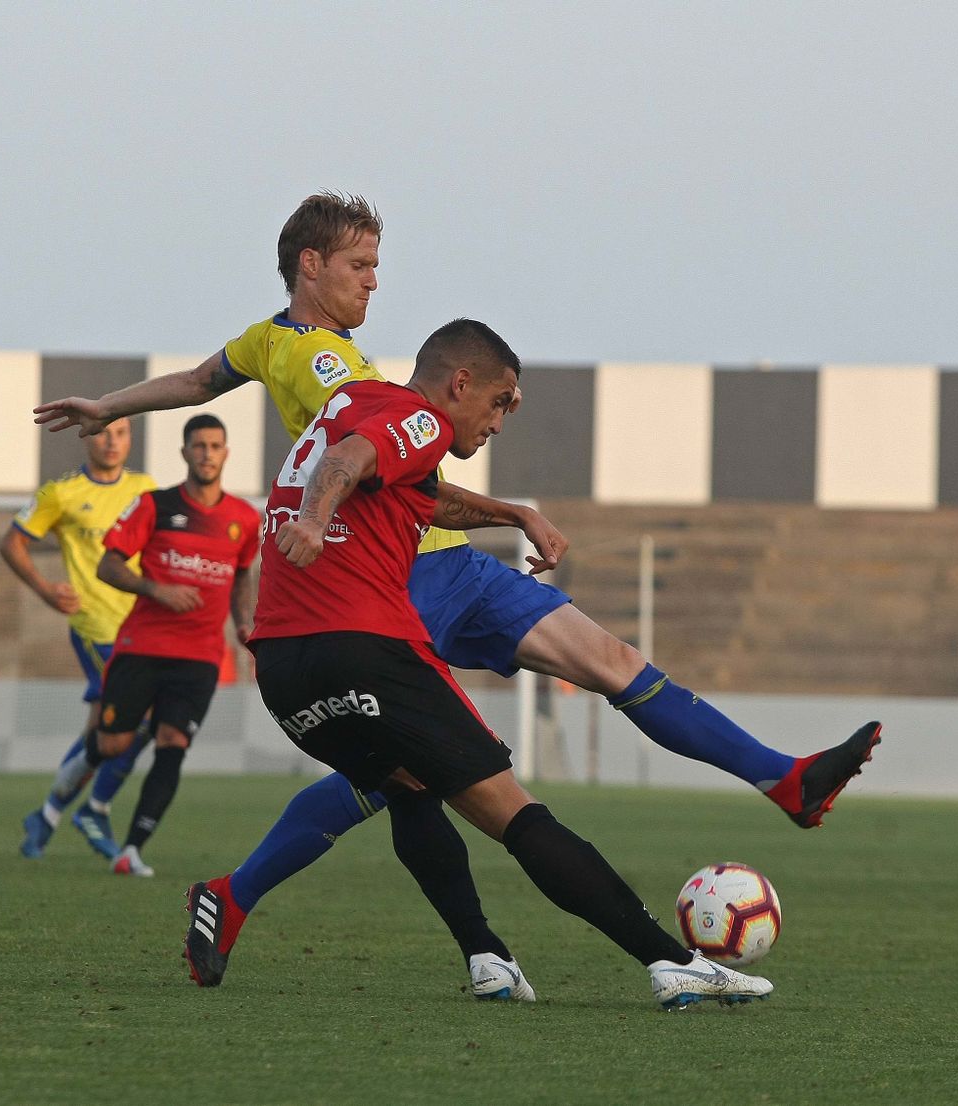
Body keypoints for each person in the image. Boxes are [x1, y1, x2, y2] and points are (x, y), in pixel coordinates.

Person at [35, 192, 880, 996]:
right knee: (414, 773)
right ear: (310, 263)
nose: (374, 279)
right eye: (361, 264)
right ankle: (331, 911)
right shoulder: (333, 363)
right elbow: (368, 461)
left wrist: (106, 403)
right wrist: (467, 508)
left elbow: (196, 381)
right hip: (406, 571)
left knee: (604, 666)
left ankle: (783, 780)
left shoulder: (267, 341)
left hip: (436, 571)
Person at [188, 318, 776, 1009]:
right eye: (499, 402)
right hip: (366, 650)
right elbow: (347, 463)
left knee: (409, 788)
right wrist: (316, 518)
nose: (499, 422)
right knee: (515, 814)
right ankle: (672, 961)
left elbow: (404, 485)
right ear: (459, 382)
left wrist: (513, 514)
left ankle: (484, 954)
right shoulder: (419, 419)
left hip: (285, 670)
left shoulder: (353, 404)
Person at [46, 414, 260, 876]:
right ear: (184, 453)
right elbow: (109, 567)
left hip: (200, 656)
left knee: (173, 742)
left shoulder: (244, 519)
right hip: (142, 645)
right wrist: (157, 590)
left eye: (215, 445)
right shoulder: (154, 505)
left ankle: (132, 850)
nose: (207, 453)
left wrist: (243, 623)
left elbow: (242, 574)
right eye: (198, 445)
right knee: (113, 743)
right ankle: (67, 789)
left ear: (226, 453)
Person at [3, 418, 156, 860]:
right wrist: (46, 589)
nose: (112, 441)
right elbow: (11, 543)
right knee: (140, 720)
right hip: (97, 628)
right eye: (104, 431)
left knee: (103, 729)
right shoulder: (61, 494)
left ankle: (47, 814)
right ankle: (95, 808)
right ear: (88, 436)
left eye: (122, 432)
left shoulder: (146, 489)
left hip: (143, 624)